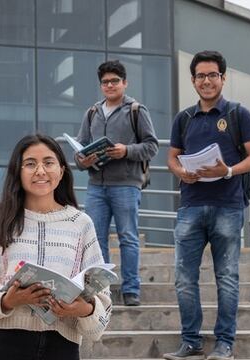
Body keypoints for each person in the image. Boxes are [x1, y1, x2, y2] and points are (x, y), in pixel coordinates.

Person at [0, 134, 112, 360]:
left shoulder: (81, 224)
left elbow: (102, 302)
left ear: (61, 171)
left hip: (62, 346)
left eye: (48, 163)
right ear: (18, 172)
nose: (40, 171)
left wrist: (84, 309)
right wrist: (8, 300)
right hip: (4, 344)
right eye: (30, 163)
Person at [163, 50, 250, 360]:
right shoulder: (184, 118)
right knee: (183, 278)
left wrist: (228, 171)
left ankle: (224, 344)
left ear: (223, 77)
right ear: (193, 81)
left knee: (227, 277)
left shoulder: (238, 114)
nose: (206, 81)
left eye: (212, 75)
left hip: (228, 206)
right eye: (200, 76)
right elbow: (171, 156)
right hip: (190, 206)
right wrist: (180, 171)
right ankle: (191, 341)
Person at [74, 60, 158, 306]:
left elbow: (151, 146)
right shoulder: (92, 113)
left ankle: (131, 289)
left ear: (124, 83)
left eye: (114, 81)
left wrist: (126, 150)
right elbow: (78, 151)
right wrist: (83, 159)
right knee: (96, 239)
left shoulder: (136, 110)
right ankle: (102, 290)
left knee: (128, 237)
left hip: (126, 185)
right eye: (105, 82)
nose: (109, 85)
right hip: (96, 186)